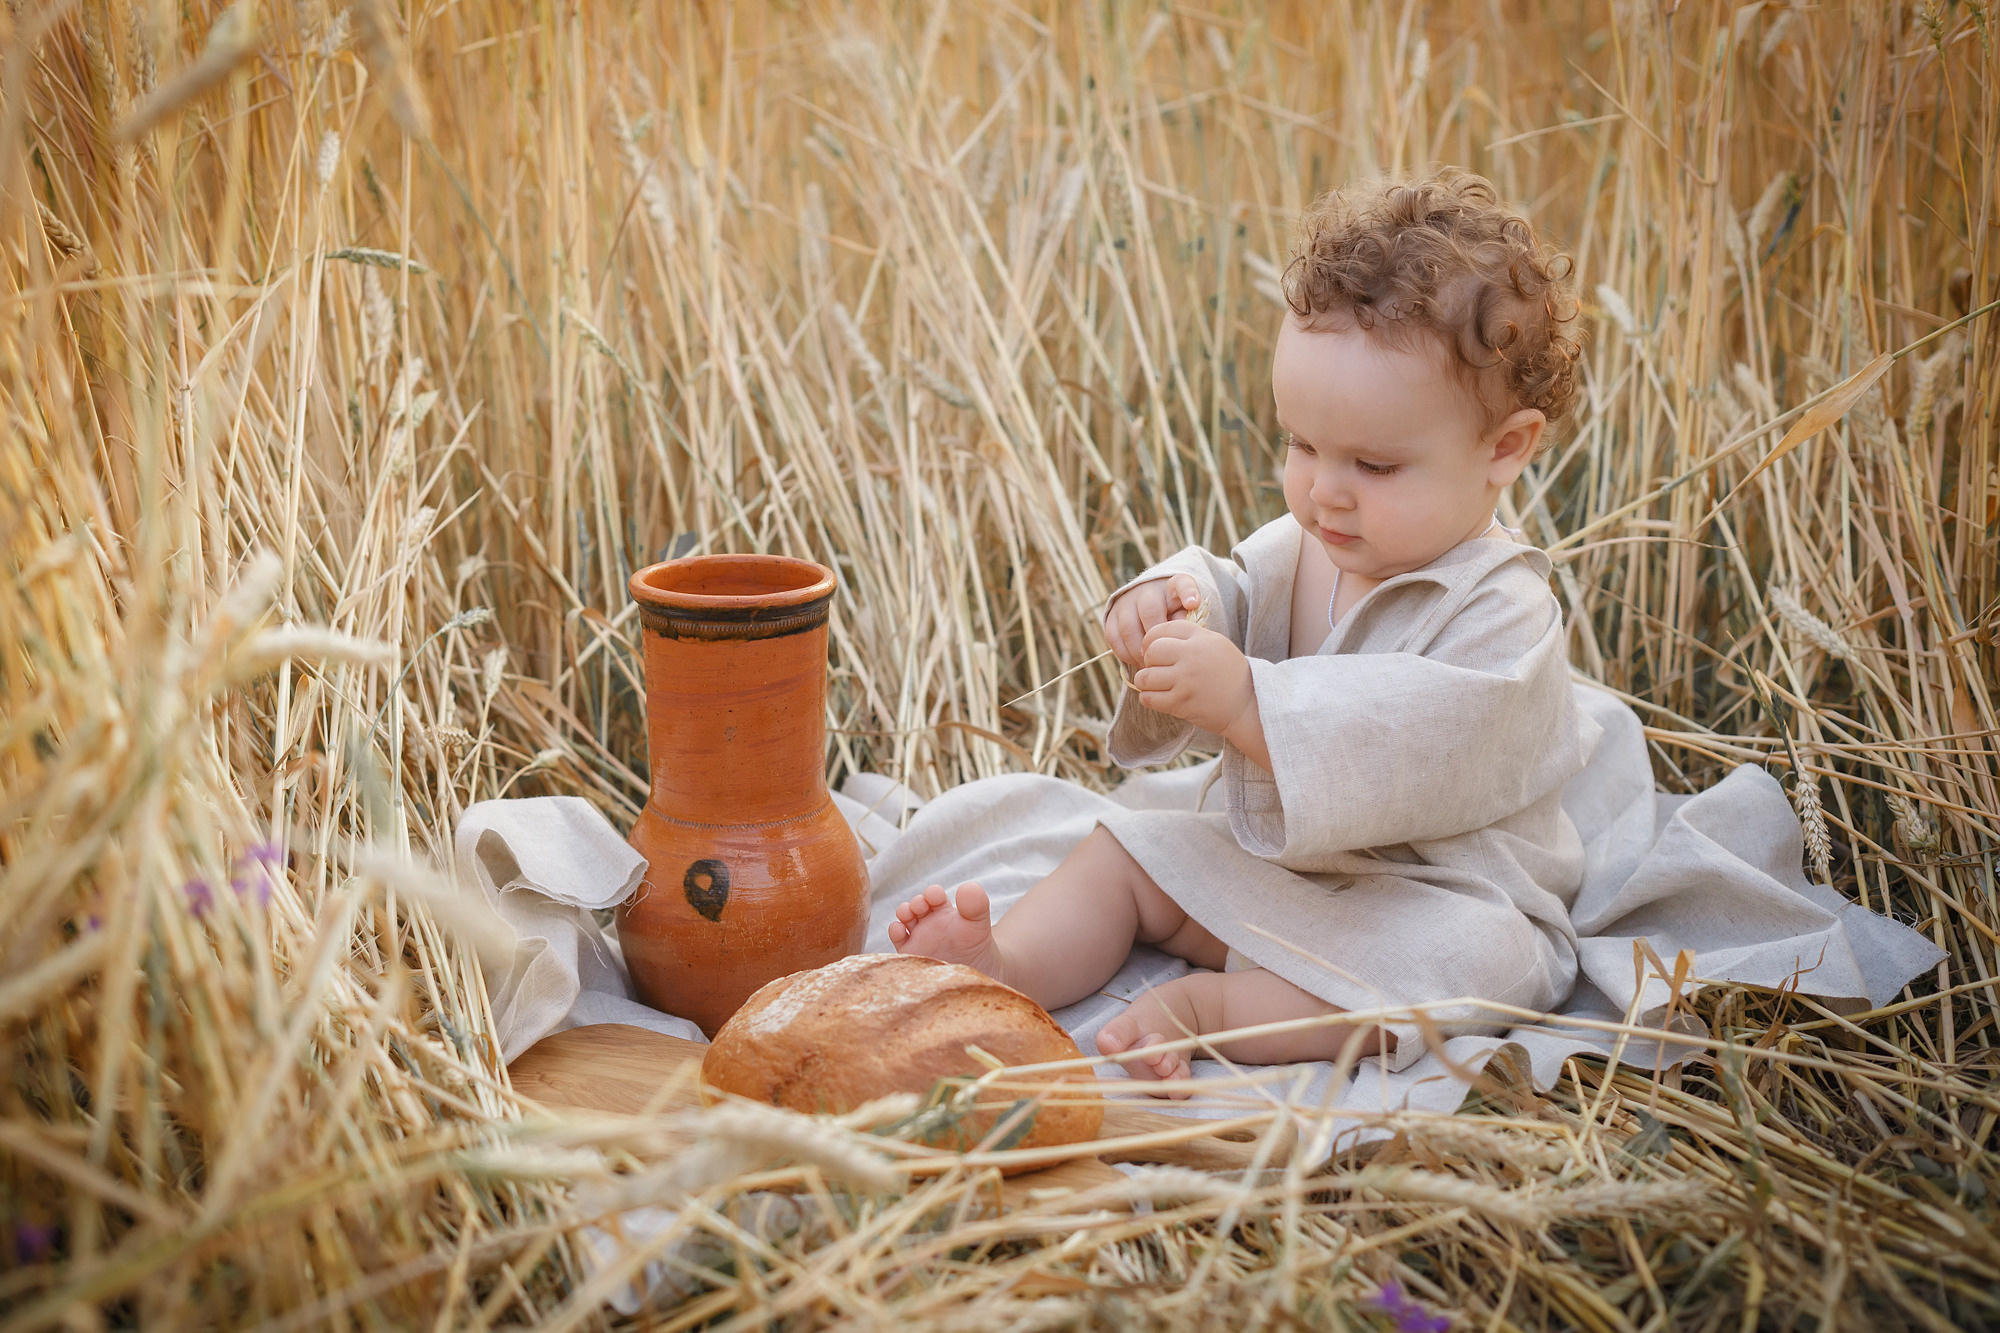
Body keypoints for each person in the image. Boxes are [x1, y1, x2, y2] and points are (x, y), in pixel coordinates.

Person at [888, 168, 1594, 1093]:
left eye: (1374, 463)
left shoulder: (1506, 611)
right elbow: (1232, 587)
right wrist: (1169, 604)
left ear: (1505, 448)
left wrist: (1248, 700)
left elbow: (1418, 739)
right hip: (1283, 869)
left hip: (1428, 891)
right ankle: (1006, 969)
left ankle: (1209, 1009)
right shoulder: (1313, 540)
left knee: (1473, 959)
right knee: (1128, 850)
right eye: (1301, 445)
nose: (1323, 491)